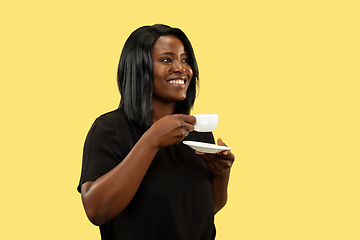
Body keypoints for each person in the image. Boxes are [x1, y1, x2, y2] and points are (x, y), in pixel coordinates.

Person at [77, 24, 235, 240]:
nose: (181, 68)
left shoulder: (197, 131)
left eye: (186, 60)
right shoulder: (110, 129)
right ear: (138, 68)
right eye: (167, 59)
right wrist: (152, 139)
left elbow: (206, 210)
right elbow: (96, 211)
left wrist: (220, 174)